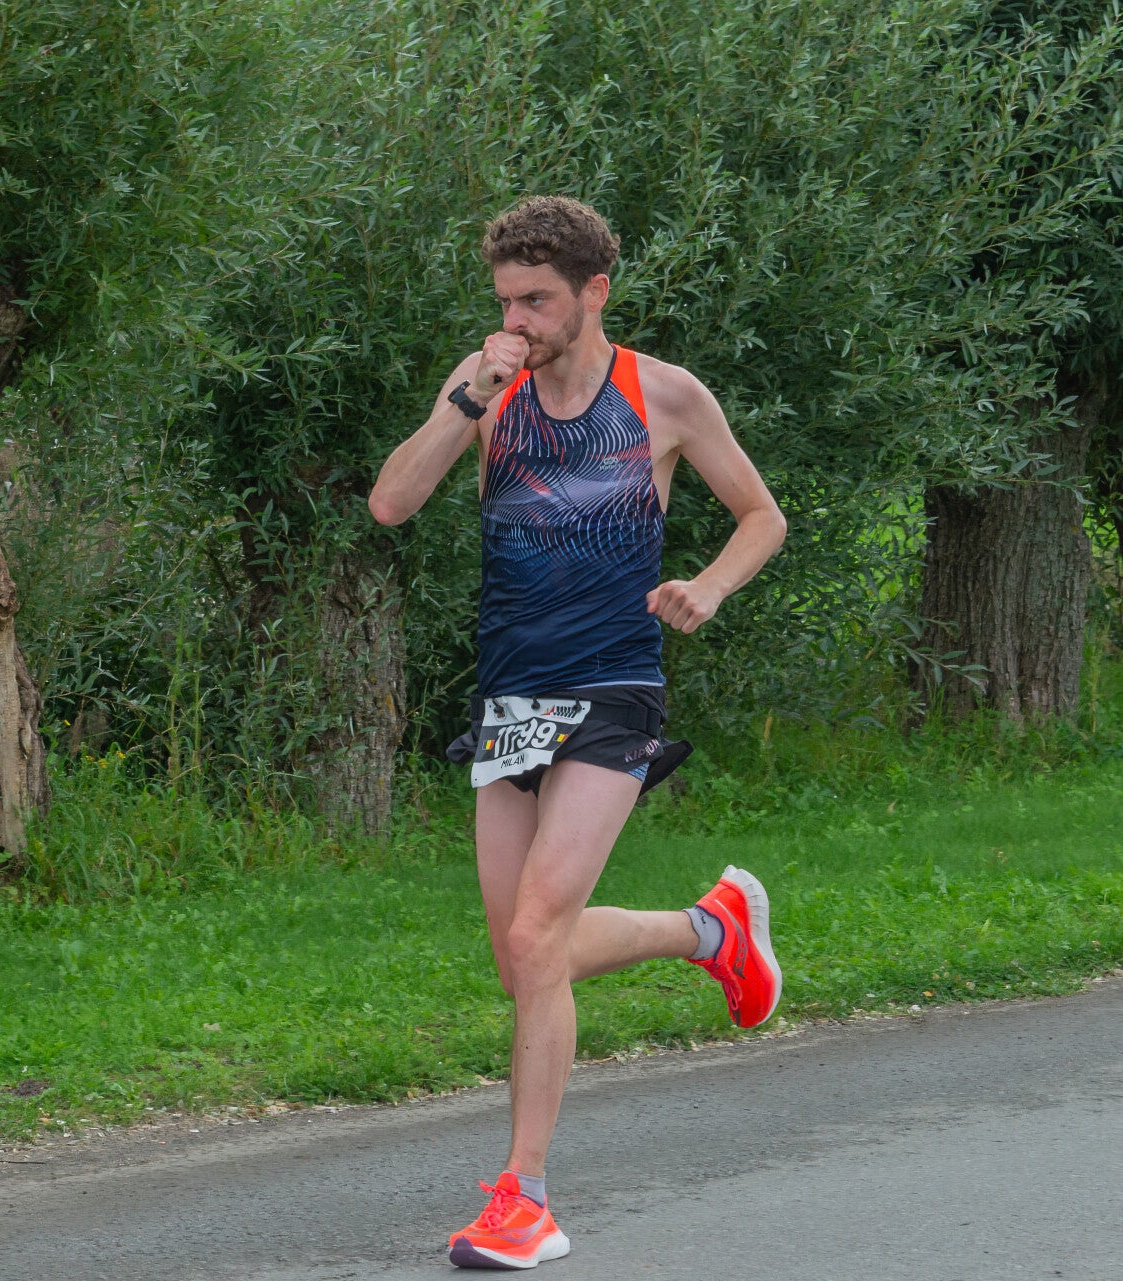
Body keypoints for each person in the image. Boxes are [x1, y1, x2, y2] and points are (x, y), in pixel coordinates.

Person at [367, 196, 788, 1270]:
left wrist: (707, 586)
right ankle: (709, 931)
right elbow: (391, 503)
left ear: (593, 291)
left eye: (537, 300)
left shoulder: (661, 394)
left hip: (613, 686)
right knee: (524, 964)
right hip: (509, 697)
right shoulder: (485, 388)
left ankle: (525, 1198)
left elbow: (761, 515)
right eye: (505, 300)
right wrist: (468, 398)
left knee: (537, 935)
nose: (517, 319)